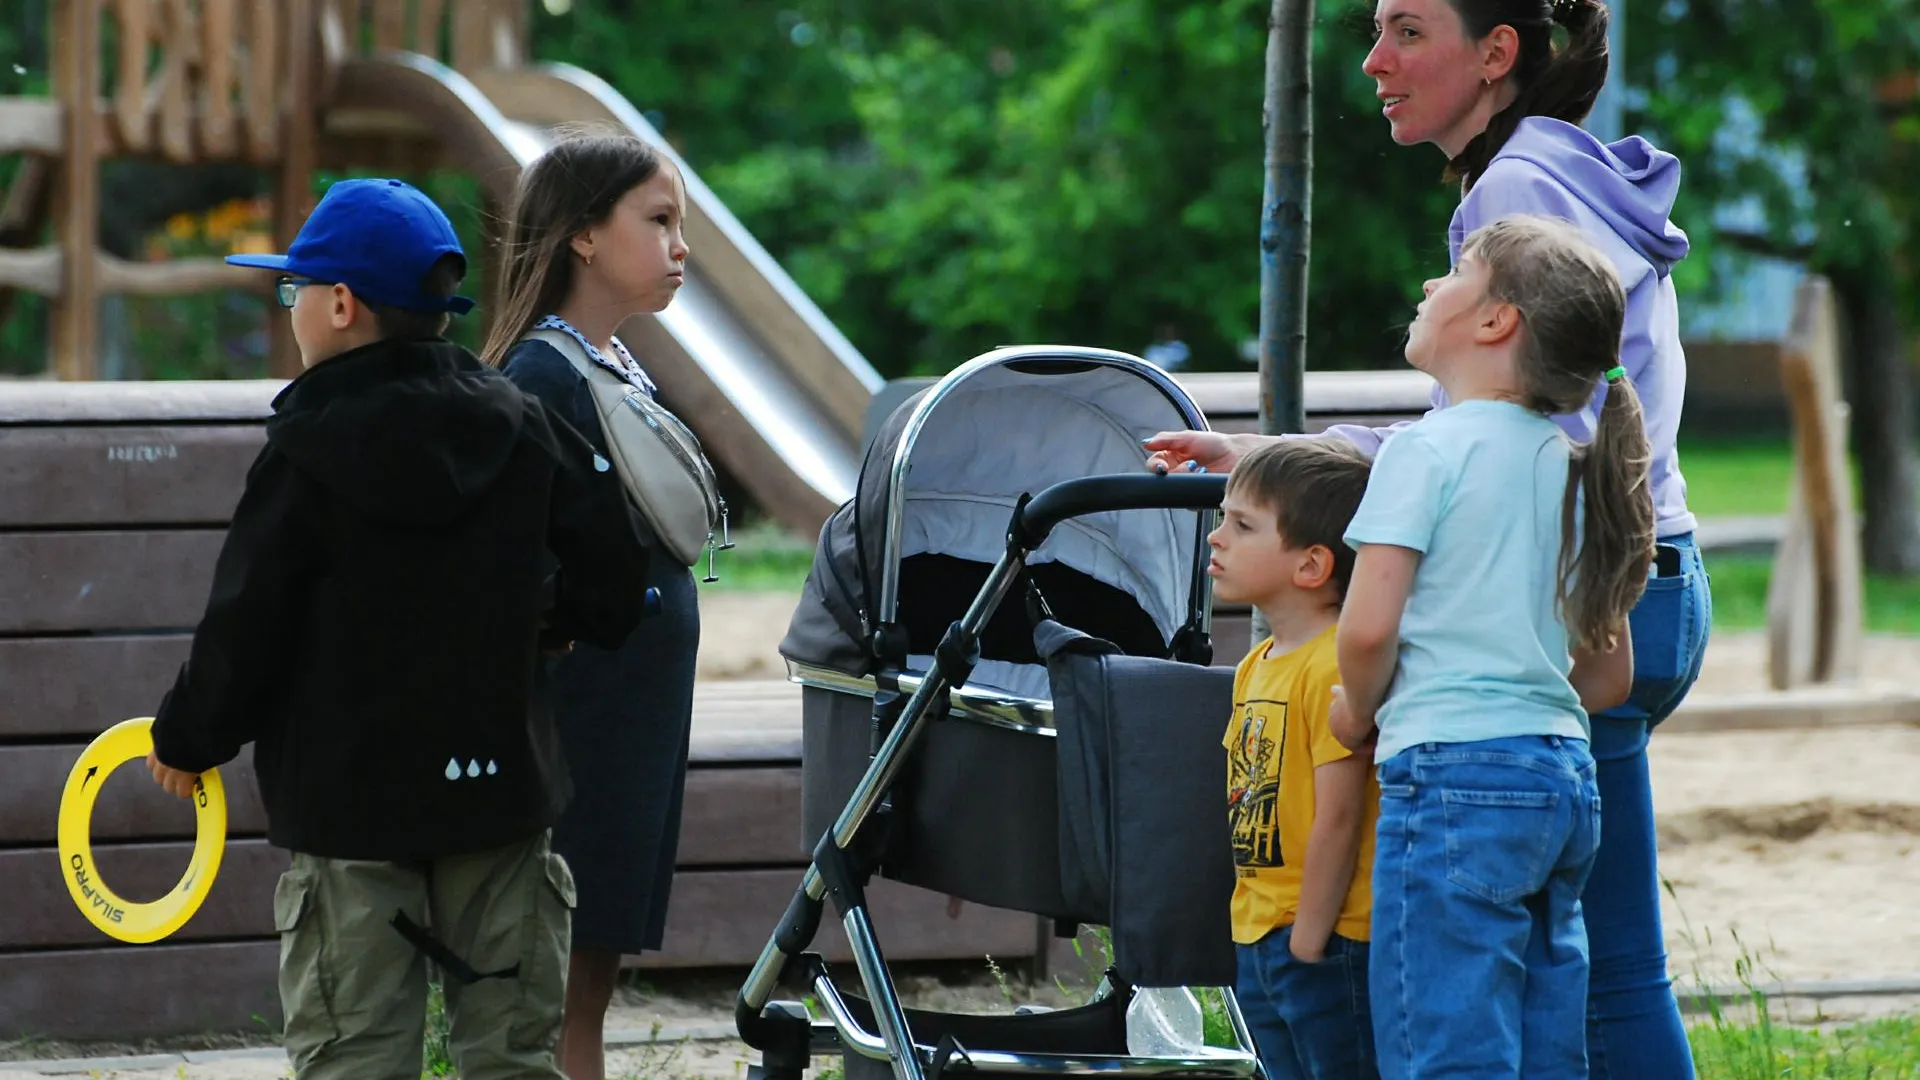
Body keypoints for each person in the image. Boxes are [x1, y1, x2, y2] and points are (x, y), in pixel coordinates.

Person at [1147, 2, 1706, 1072]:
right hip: (1639, 593)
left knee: (1580, 989)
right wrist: (1283, 453)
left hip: (1574, 613)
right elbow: (1490, 428)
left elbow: (1510, 433)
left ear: (1497, 53)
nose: (1373, 60)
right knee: (1590, 971)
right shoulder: (1555, 167)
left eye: (1409, 31)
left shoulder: (1512, 194)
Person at [144, 177, 652, 1079]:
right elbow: (615, 571)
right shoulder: (520, 420)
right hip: (500, 796)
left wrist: (189, 737)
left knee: (355, 1055)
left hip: (351, 815)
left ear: (339, 305)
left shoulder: (306, 452)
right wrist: (554, 622)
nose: (289, 307)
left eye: (291, 290)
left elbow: (245, 623)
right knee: (510, 1056)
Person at [1330, 214, 1647, 1077]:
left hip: (1449, 781)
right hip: (1560, 783)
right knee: (1546, 1049)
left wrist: (1356, 707)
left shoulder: (1424, 452)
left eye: (1457, 271)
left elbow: (1364, 628)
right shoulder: (1579, 468)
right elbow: (1609, 676)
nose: (1432, 285)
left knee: (1446, 1046)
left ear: (1496, 320)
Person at [479, 130, 699, 1080]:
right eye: (657, 221)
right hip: (583, 709)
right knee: (566, 929)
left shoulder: (604, 364)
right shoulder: (540, 377)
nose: (680, 245)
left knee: (597, 934)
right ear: (581, 237)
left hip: (628, 705)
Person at [1211, 440, 1381, 1080]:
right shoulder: (1256, 663)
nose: (1216, 538)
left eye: (1242, 525)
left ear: (1311, 565)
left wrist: (1310, 939)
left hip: (1325, 940)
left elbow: (1340, 816)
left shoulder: (1335, 661)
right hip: (1259, 933)